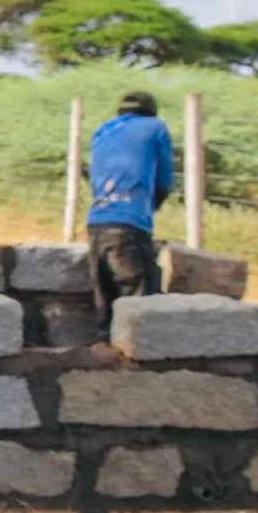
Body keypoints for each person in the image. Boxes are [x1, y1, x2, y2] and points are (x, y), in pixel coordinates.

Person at [86, 90, 177, 339]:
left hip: (97, 221)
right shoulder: (155, 127)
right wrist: (152, 205)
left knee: (105, 299)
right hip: (130, 222)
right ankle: (138, 371)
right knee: (140, 302)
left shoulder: (103, 131)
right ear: (150, 110)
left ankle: (102, 359)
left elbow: (94, 176)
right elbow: (166, 179)